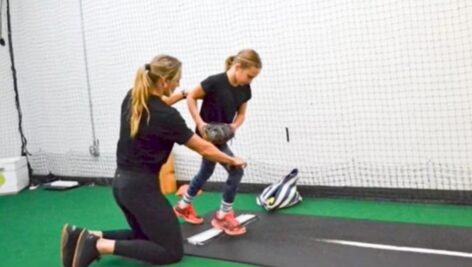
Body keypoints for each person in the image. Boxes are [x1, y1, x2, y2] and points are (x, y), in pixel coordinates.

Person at [60, 55, 247, 267]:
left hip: (121, 185)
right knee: (171, 251)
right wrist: (232, 159)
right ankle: (97, 245)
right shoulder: (167, 116)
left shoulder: (133, 98)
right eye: (177, 79)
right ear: (164, 81)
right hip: (141, 190)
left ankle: (86, 235)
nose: (179, 83)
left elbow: (157, 105)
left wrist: (179, 96)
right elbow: (202, 147)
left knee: (146, 237)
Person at [174, 49, 262, 236]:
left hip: (222, 134)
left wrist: (233, 127)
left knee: (206, 170)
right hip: (207, 135)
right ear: (238, 67)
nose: (250, 81)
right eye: (249, 76)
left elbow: (242, 113)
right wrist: (200, 123)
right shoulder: (214, 82)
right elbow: (191, 96)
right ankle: (223, 215)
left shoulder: (245, 89)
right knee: (236, 169)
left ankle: (183, 205)